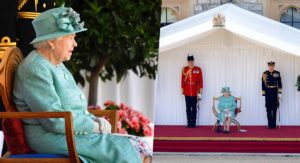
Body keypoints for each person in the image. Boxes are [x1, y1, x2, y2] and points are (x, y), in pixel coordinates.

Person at [13, 6, 152, 163]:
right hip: (50, 137)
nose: (75, 44)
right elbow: (54, 120)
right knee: (132, 150)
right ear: (52, 41)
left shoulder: (56, 63)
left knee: (139, 145)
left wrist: (94, 122)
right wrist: (94, 126)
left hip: (70, 132)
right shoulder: (35, 68)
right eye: (71, 37)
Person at [181, 54, 203, 128]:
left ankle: (193, 122)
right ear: (187, 61)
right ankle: (189, 122)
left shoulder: (198, 69)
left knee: (194, 108)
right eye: (189, 61)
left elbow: (201, 81)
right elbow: (182, 81)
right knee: (188, 108)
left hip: (195, 92)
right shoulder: (184, 69)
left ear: (193, 61)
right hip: (187, 92)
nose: (190, 62)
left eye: (191, 61)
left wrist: (200, 92)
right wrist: (182, 89)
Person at [262, 61, 282, 129]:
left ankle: (274, 124)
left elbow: (279, 83)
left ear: (274, 66)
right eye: (270, 66)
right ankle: (269, 124)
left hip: (274, 91)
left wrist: (279, 93)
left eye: (272, 66)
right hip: (267, 92)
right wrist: (263, 94)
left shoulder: (277, 73)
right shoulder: (265, 73)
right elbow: (263, 84)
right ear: (268, 66)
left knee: (274, 108)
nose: (271, 67)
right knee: (268, 108)